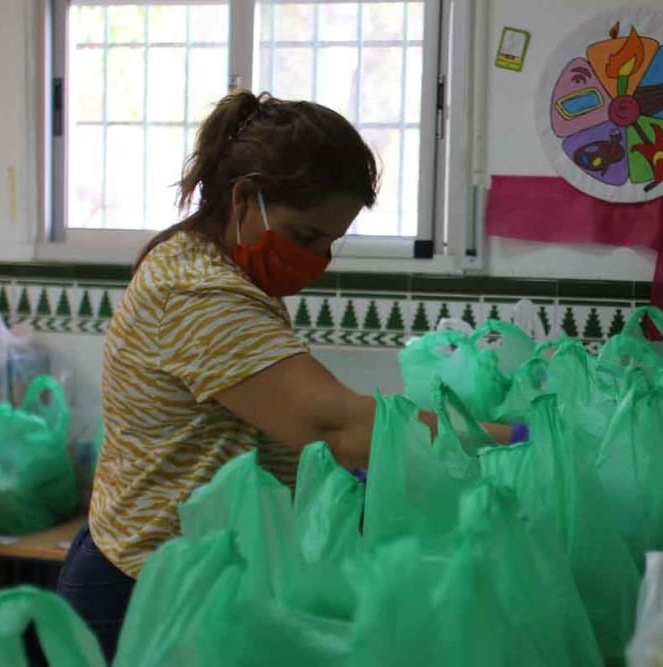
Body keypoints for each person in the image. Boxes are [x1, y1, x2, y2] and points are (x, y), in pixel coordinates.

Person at [54, 90, 513, 662]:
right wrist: (513, 441)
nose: (318, 260)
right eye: (305, 236)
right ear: (247, 198)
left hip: (182, 568)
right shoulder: (198, 292)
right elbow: (334, 427)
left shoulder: (211, 264)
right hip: (147, 586)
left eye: (330, 242)